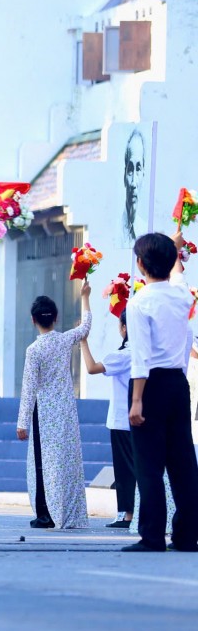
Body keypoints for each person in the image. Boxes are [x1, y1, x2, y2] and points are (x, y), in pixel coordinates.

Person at [124, 232, 198, 552]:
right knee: (183, 463)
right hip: (178, 386)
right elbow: (179, 277)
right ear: (172, 263)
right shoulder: (183, 297)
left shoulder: (139, 302)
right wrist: (176, 248)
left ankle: (152, 536)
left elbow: (140, 355)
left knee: (149, 465)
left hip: (150, 385)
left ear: (140, 264)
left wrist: (137, 400)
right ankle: (187, 535)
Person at [16, 287, 92, 530]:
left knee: (42, 462)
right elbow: (86, 326)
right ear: (56, 318)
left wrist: (22, 422)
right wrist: (85, 297)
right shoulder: (65, 339)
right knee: (64, 461)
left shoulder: (34, 350)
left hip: (44, 413)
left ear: (33, 319)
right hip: (66, 409)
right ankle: (67, 510)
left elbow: (29, 388)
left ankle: (46, 514)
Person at [80, 311, 134, 529]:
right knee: (135, 467)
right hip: (138, 419)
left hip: (121, 420)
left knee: (125, 469)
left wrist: (83, 342)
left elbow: (92, 368)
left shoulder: (122, 356)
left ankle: (128, 514)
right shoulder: (145, 353)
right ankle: (132, 512)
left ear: (123, 328)